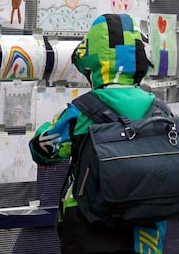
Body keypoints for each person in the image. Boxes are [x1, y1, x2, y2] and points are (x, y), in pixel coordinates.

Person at [29, 14, 167, 254]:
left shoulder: (82, 111)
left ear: (94, 62)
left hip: (90, 227)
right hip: (146, 233)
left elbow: (43, 149)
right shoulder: (161, 110)